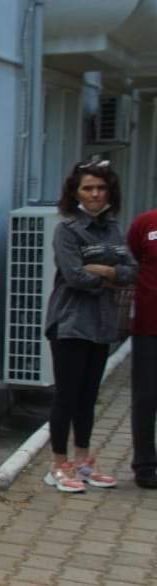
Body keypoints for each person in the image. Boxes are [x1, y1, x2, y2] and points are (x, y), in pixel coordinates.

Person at [41, 159, 137, 493]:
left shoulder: (111, 227)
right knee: (66, 397)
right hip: (70, 322)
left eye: (100, 188)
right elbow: (75, 276)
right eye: (88, 188)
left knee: (88, 397)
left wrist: (107, 271)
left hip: (101, 322)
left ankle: (82, 461)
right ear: (75, 192)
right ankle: (57, 464)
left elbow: (131, 270)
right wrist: (109, 275)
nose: (95, 194)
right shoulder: (67, 228)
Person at [129, 203, 157, 489]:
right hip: (149, 327)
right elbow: (135, 257)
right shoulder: (146, 223)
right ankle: (145, 466)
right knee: (146, 398)